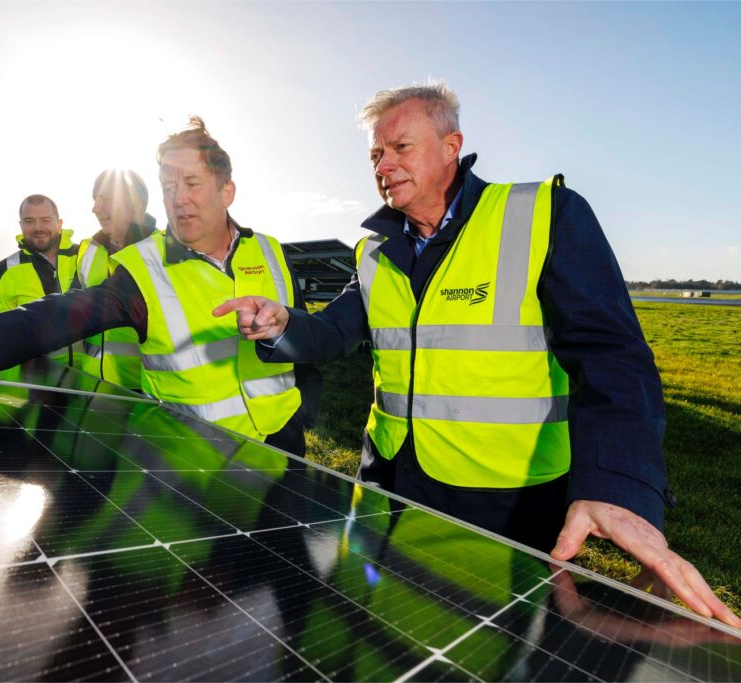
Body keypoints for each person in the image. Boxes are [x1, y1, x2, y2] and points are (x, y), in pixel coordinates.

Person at [214, 81, 740, 626]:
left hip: (504, 499)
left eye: (401, 147)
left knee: (490, 642)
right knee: (382, 629)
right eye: (376, 153)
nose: (384, 164)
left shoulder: (543, 215)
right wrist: (283, 327)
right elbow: (335, 332)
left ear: (450, 146)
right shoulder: (374, 250)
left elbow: (615, 357)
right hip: (388, 479)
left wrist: (620, 487)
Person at [0, 117, 319, 457]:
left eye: (191, 183)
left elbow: (305, 338)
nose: (178, 200)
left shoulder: (272, 253)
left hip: (282, 442)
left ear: (226, 190)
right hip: (191, 451)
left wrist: (304, 415)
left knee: (287, 588)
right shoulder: (141, 267)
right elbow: (64, 313)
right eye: (168, 186)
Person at [76, 169, 158, 390]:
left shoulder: (165, 253)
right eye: (95, 199)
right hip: (95, 390)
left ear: (134, 203)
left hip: (150, 395)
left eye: (104, 199)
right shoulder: (87, 250)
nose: (95, 208)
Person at [0, 193, 80, 364]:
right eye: (29, 221)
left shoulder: (87, 258)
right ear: (21, 225)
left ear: (59, 224)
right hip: (34, 380)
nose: (38, 228)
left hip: (96, 381)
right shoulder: (3, 271)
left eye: (45, 220)